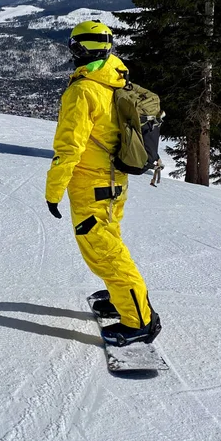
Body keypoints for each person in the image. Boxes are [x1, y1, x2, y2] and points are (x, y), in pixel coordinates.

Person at [45, 20, 161, 346]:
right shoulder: (114, 76)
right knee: (108, 243)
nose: (73, 52)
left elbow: (69, 148)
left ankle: (139, 321)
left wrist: (53, 191)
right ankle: (121, 298)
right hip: (115, 182)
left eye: (75, 46)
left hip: (92, 185)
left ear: (82, 49)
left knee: (105, 253)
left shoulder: (83, 91)